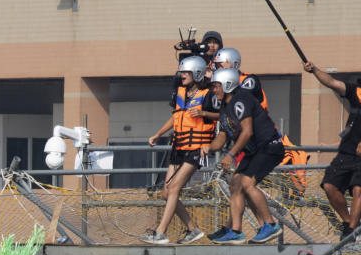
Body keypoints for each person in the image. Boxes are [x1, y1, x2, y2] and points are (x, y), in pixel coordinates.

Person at [202, 68, 284, 245]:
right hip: (254, 151)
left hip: (269, 147)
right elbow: (222, 137)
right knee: (236, 184)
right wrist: (206, 148)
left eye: (216, 86)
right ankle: (236, 231)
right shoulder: (225, 107)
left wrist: (231, 155)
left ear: (227, 84)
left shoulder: (242, 99)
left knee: (247, 183)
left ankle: (270, 225)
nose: (213, 90)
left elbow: (247, 132)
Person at [141, 56, 214, 245]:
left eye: (186, 72)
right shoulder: (180, 92)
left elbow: (223, 115)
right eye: (182, 72)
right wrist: (158, 134)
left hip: (196, 149)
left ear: (196, 73)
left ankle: (160, 232)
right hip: (178, 148)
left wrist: (204, 113)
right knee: (167, 193)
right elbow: (176, 118)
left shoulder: (208, 95)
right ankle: (192, 229)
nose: (182, 76)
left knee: (174, 188)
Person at [303, 61, 361, 240]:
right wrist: (314, 70)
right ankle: (349, 223)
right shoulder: (355, 92)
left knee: (359, 190)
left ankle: (351, 230)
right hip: (346, 153)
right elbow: (331, 82)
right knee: (329, 185)